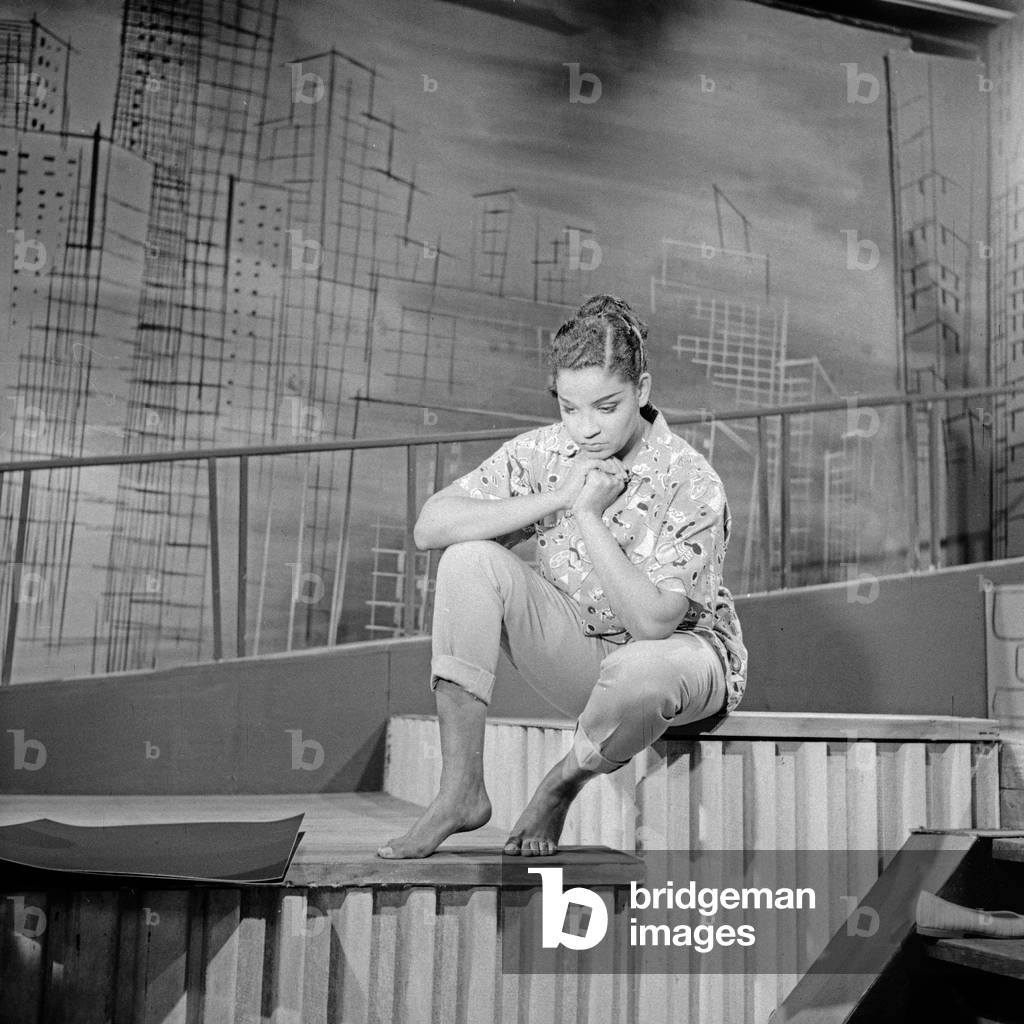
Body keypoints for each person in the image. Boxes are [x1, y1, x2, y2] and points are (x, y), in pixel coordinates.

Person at [377, 294, 747, 859]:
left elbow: (652, 624)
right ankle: (460, 791)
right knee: (466, 559)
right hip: (581, 652)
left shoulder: (691, 478)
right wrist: (556, 494)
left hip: (679, 664)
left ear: (642, 391)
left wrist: (586, 515)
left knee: (638, 671)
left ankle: (560, 785)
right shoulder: (547, 454)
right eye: (569, 408)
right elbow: (431, 527)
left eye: (606, 406)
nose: (585, 429)